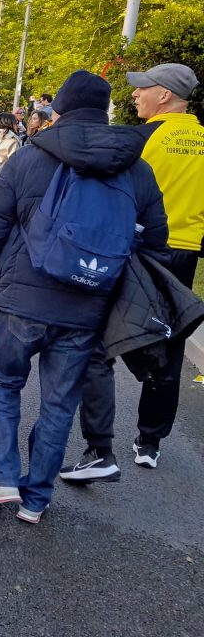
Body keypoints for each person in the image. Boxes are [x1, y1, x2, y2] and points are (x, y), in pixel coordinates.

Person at [0, 70, 167, 524]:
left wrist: (0, 272)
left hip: (24, 296)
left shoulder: (29, 156)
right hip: (89, 303)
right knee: (60, 401)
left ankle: (2, 476)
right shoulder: (137, 167)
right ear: (105, 113)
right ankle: (36, 499)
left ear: (58, 109)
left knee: (3, 383)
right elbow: (157, 238)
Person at [61, 63, 204, 481]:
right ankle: (150, 441)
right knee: (171, 342)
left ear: (165, 96)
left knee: (101, 340)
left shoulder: (143, 138)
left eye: (144, 88)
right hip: (187, 252)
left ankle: (98, 447)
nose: (135, 94)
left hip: (141, 248)